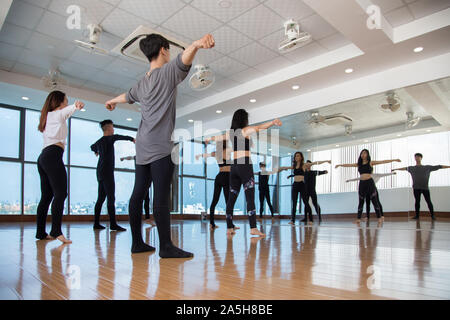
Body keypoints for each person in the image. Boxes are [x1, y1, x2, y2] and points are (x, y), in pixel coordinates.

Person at [105, 33, 215, 256]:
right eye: (169, 50)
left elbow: (127, 96)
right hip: (160, 146)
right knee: (161, 196)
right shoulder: (166, 73)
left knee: (138, 194)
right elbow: (184, 59)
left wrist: (112, 101)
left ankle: (137, 244)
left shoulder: (142, 82)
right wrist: (195, 43)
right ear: (164, 50)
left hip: (142, 144)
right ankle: (165, 247)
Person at [205, 109, 282, 236]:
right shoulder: (244, 130)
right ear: (244, 119)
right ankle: (253, 228)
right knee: (249, 196)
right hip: (245, 165)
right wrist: (272, 122)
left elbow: (219, 137)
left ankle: (229, 227)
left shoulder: (231, 133)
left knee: (231, 198)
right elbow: (258, 127)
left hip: (234, 166)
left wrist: (209, 138)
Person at [36, 90, 84, 243]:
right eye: (66, 100)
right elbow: (66, 112)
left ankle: (41, 233)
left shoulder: (48, 116)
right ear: (59, 102)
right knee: (61, 193)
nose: (67, 103)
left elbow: (65, 113)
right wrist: (75, 106)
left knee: (47, 196)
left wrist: (72, 108)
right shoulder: (57, 114)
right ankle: (56, 230)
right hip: (53, 156)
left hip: (44, 157)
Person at [90, 120, 135, 231]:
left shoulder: (99, 141)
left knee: (100, 198)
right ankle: (113, 225)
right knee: (111, 198)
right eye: (113, 128)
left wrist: (96, 151)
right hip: (107, 172)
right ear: (109, 128)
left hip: (99, 172)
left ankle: (96, 223)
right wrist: (132, 139)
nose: (113, 130)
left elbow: (92, 146)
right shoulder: (110, 138)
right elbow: (120, 137)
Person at [335, 149, 401, 224]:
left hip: (370, 182)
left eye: (365, 153)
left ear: (367, 155)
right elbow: (349, 165)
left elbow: (383, 161)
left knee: (374, 200)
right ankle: (358, 219)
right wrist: (340, 165)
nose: (363, 155)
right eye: (362, 153)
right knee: (361, 201)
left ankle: (379, 217)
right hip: (362, 183)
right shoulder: (359, 164)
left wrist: (394, 160)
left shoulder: (371, 162)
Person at [392, 153, 449, 220]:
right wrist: (395, 169)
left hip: (425, 188)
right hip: (416, 188)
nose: (417, 158)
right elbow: (404, 168)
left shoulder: (427, 167)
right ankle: (417, 216)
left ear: (421, 158)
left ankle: (433, 215)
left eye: (418, 157)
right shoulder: (411, 168)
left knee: (428, 201)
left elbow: (439, 166)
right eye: (415, 157)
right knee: (417, 202)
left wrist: (448, 167)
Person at [195, 141, 235, 230]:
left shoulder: (216, 153)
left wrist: (199, 155)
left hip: (219, 177)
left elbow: (206, 155)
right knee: (228, 202)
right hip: (226, 177)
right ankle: (230, 224)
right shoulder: (227, 151)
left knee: (214, 201)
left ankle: (212, 223)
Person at [280, 154, 330, 225]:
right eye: (296, 156)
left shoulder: (313, 172)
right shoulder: (304, 171)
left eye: (309, 164)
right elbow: (296, 173)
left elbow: (317, 165)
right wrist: (285, 171)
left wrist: (325, 166)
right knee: (295, 203)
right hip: (302, 188)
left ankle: (317, 218)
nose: (308, 165)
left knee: (312, 204)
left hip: (311, 190)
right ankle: (297, 219)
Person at [121, 155, 155, 226]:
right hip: (142, 181)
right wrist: (123, 158)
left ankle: (147, 218)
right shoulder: (140, 157)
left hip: (143, 181)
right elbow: (130, 157)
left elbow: (130, 157)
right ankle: (145, 218)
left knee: (146, 199)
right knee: (141, 200)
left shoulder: (141, 157)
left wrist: (123, 158)